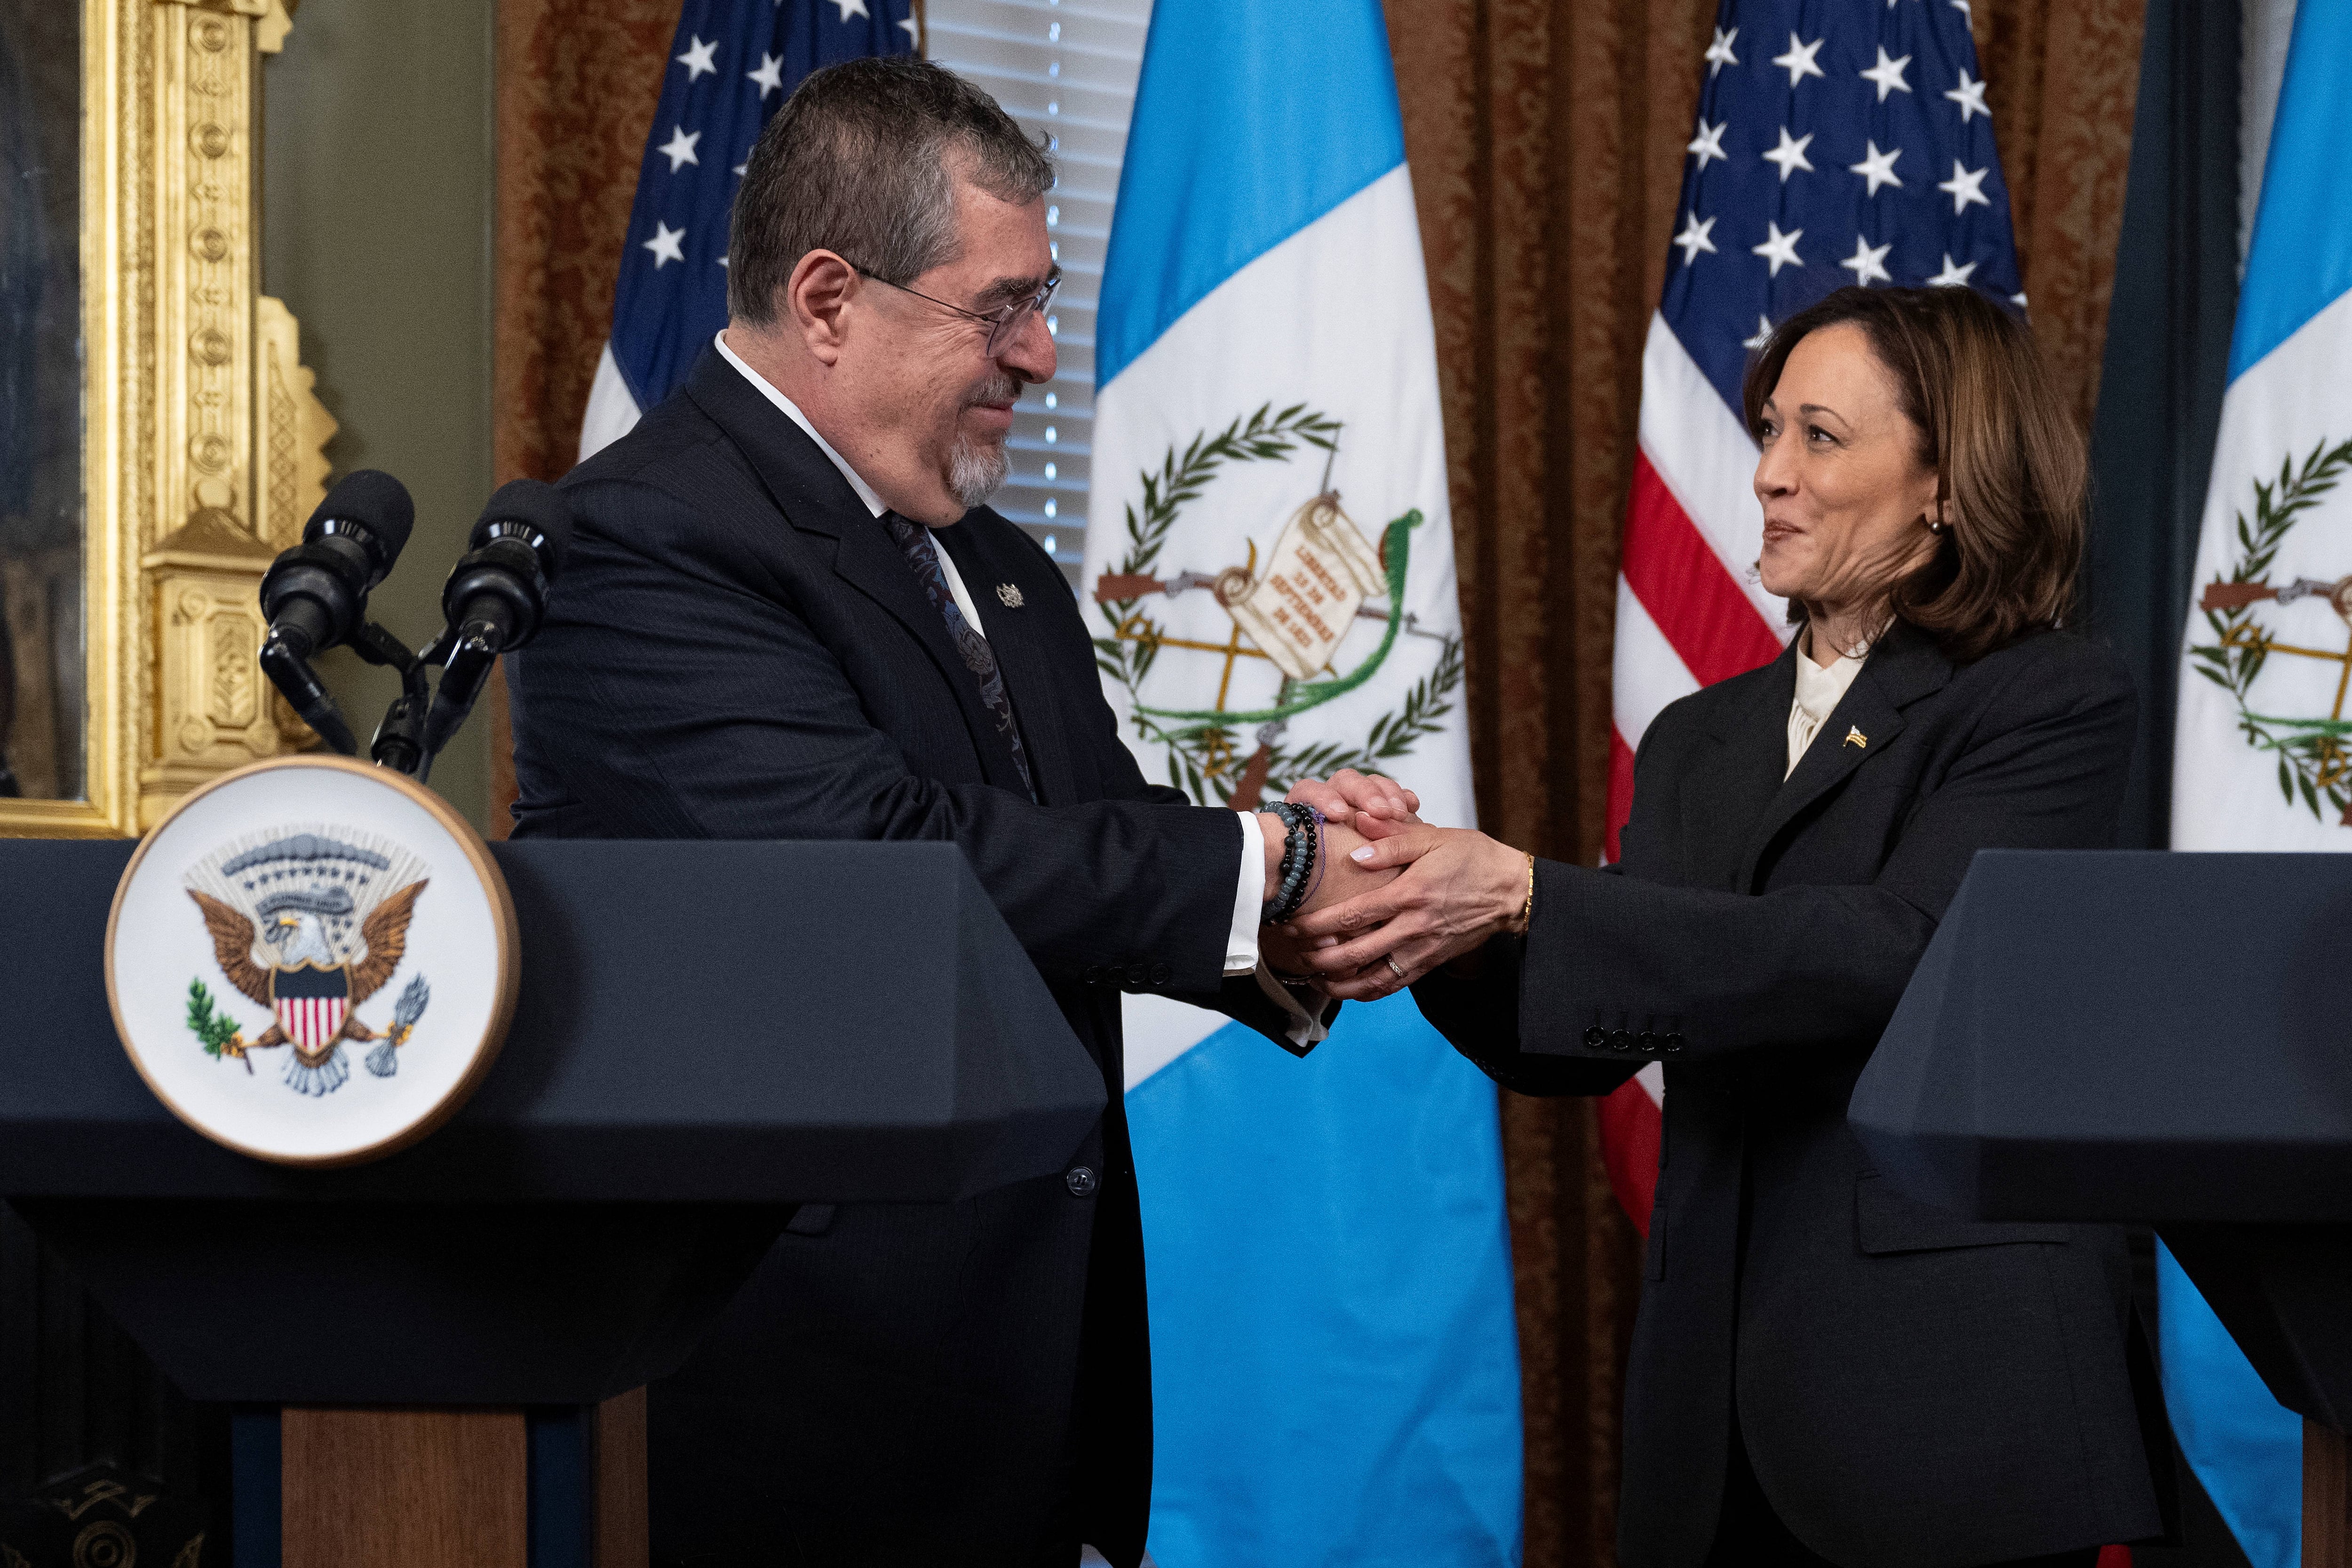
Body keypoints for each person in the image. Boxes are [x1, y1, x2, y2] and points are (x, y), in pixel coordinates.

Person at [507, 57, 1387, 1568]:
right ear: (833, 298)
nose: (1042, 355)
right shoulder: (642, 541)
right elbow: (880, 861)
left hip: (1023, 1371)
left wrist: (1330, 896)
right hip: (794, 1391)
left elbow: (1093, 849)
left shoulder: (994, 566)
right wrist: (1270, 863)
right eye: (1002, 308)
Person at [1287, 285, 2167, 1566]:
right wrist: (1424, 912)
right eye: (1768, 432)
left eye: (1819, 435)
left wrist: (1527, 889)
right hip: (1717, 1419)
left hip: (1946, 1408)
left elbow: (1897, 954)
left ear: (1944, 477)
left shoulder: (2051, 700)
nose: (1766, 476)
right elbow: (1589, 1033)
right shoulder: (1702, 740)